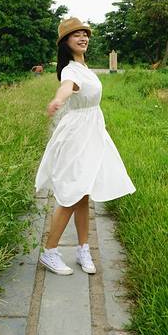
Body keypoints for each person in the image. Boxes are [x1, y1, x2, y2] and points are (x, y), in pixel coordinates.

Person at [35, 17, 136, 276]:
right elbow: (66, 87)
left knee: (84, 193)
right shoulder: (70, 70)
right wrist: (57, 100)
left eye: (85, 34)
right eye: (76, 35)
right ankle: (49, 252)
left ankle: (83, 248)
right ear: (65, 42)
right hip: (76, 135)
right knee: (71, 194)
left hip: (92, 131)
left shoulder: (84, 67)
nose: (83, 38)